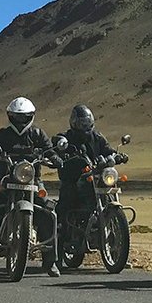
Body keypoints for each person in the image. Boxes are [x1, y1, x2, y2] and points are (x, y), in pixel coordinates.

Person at [0, 97, 62, 277]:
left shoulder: (37, 133)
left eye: (24, 117)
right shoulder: (3, 134)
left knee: (48, 213)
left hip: (33, 182)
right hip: (5, 181)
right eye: (17, 117)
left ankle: (50, 261)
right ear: (10, 116)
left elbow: (49, 149)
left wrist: (55, 157)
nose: (20, 121)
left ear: (31, 116)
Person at [55, 104, 128, 260]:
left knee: (110, 186)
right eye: (82, 123)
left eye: (87, 122)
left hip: (96, 176)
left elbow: (108, 150)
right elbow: (57, 141)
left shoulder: (97, 137)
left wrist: (118, 155)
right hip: (73, 179)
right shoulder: (68, 137)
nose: (85, 126)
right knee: (65, 204)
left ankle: (117, 252)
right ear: (74, 122)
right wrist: (61, 147)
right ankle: (57, 251)